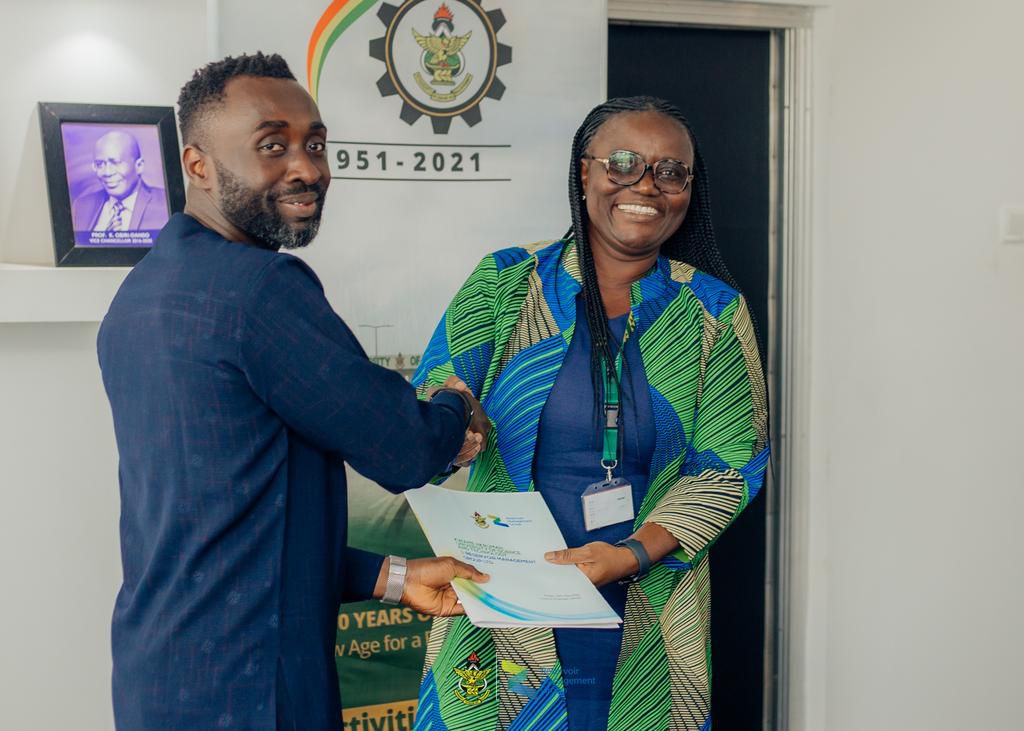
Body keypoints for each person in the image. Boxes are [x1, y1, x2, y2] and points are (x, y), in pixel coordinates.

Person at [97, 52, 490, 731]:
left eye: (315, 143)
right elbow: (405, 450)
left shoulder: (141, 294)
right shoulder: (262, 289)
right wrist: (457, 404)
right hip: (254, 690)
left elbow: (229, 529)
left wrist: (397, 577)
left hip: (163, 679)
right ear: (197, 166)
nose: (306, 167)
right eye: (271, 146)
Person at [411, 96, 769, 730]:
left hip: (649, 606)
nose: (646, 185)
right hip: (500, 597)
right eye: (624, 162)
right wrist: (458, 419)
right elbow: (437, 394)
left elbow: (732, 468)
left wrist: (630, 553)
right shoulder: (506, 281)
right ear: (585, 173)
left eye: (670, 171)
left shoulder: (713, 311)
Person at [71, 129, 169, 233]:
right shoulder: (81, 206)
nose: (107, 172)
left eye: (115, 163)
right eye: (100, 164)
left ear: (139, 166)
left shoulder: (165, 203)